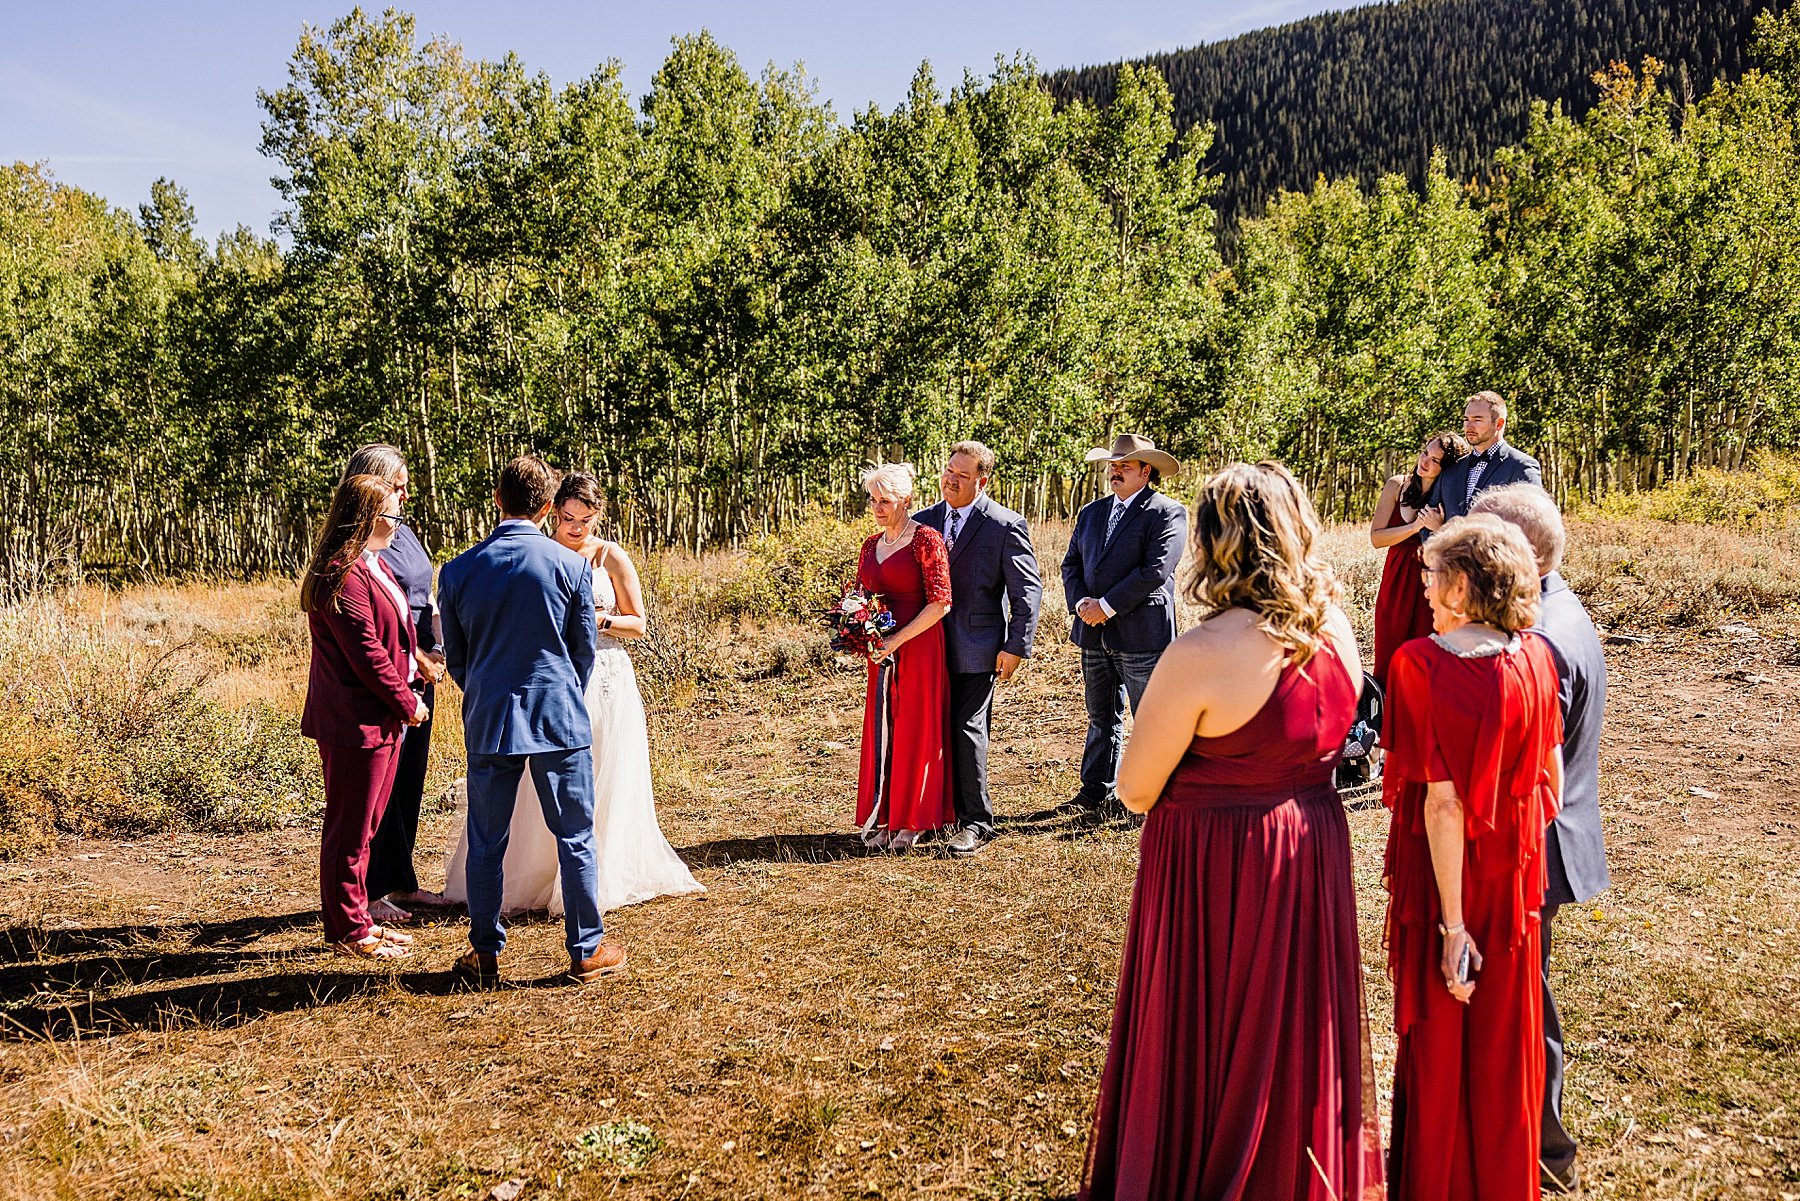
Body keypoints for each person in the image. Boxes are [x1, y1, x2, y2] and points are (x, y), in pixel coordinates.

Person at [1080, 461, 1382, 1201]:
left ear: (1213, 544)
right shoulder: (1336, 630)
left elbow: (1136, 785)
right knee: (1297, 1022)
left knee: (1208, 1027)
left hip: (1217, 860)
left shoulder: (1203, 653)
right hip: (1309, 842)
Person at [1382, 514, 1565, 1200]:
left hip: (1446, 882)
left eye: (1431, 575)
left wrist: (1453, 927)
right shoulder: (1537, 658)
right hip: (1514, 884)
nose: (1423, 589)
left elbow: (1443, 805)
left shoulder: (1418, 666)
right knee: (1500, 1042)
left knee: (1442, 1032)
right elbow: (1552, 784)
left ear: (1460, 585)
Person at [443, 473, 705, 915]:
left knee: (598, 779)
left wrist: (598, 621)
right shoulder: (546, 559)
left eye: (586, 520)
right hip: (555, 683)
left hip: (600, 677)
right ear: (550, 511)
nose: (576, 527)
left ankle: (595, 879)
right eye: (568, 518)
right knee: (549, 793)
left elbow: (637, 623)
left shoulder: (606, 557)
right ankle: (551, 892)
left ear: (599, 518)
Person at [1471, 483, 1610, 1195]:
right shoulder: (1557, 608)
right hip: (1553, 839)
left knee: (1526, 1004)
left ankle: (1546, 1150)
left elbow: (1528, 770)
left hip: (1536, 848)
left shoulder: (1542, 640)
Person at [437, 456, 622, 986]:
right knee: (575, 835)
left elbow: (457, 657)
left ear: (497, 500)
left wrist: (485, 692)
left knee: (486, 839)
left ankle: (485, 952)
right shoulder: (570, 566)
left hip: (491, 717)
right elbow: (582, 649)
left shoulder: (459, 570)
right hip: (558, 715)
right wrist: (561, 690)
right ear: (546, 508)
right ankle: (586, 948)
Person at [299, 474, 428, 961]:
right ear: (370, 516)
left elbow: (396, 638)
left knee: (366, 825)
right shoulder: (343, 573)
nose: (398, 525)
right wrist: (406, 700)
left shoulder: (369, 565)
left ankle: (359, 918)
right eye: (393, 515)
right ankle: (348, 929)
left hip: (380, 718)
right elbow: (367, 653)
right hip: (356, 720)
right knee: (349, 829)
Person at [913, 441, 1043, 856]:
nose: (950, 479)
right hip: (926, 649)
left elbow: (1028, 590)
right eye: (949, 470)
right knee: (930, 730)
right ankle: (938, 812)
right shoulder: (922, 522)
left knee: (968, 730)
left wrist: (1016, 646)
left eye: (962, 475)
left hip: (978, 647)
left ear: (981, 481)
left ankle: (976, 822)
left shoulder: (1004, 525)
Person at [337, 444, 448, 926]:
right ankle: (372, 891)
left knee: (408, 782)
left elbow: (422, 594)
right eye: (396, 485)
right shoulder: (358, 545)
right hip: (396, 671)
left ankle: (401, 879)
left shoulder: (399, 530)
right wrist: (416, 656)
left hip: (423, 668)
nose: (405, 493)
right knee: (378, 788)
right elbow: (375, 622)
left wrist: (437, 651)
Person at [1060, 434, 1187, 820]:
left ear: (1146, 471)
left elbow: (1154, 571)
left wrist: (1107, 606)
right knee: (1101, 717)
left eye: (1125, 466)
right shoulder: (1092, 513)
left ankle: (1152, 796)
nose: (1114, 471)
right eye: (1113, 465)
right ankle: (1096, 790)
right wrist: (1083, 603)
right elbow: (1071, 565)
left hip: (1142, 633)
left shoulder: (1167, 513)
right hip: (1093, 632)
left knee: (1149, 718)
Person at [854, 463, 954, 851]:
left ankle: (913, 818)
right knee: (884, 729)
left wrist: (897, 639)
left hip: (920, 645)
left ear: (906, 500)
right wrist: (863, 634)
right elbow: (861, 598)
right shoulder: (869, 544)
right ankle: (884, 814)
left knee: (915, 728)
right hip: (881, 651)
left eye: (886, 500)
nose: (877, 507)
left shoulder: (925, 540)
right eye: (873, 500)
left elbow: (941, 603)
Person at [1371, 431, 1469, 689]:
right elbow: (1377, 538)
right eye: (1425, 452)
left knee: (1424, 661)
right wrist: (1415, 527)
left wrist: (1437, 528)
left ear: (1446, 468)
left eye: (1435, 460)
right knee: (1388, 658)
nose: (1425, 461)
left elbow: (1457, 546)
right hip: (1396, 582)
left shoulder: (1448, 499)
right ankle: (1383, 722)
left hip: (1431, 585)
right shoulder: (1396, 485)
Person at [1425, 391, 1543, 524]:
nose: (1468, 426)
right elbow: (1426, 520)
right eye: (1466, 419)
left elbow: (1532, 524)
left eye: (1477, 420)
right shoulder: (1450, 470)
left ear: (1498, 424)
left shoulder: (1521, 466)